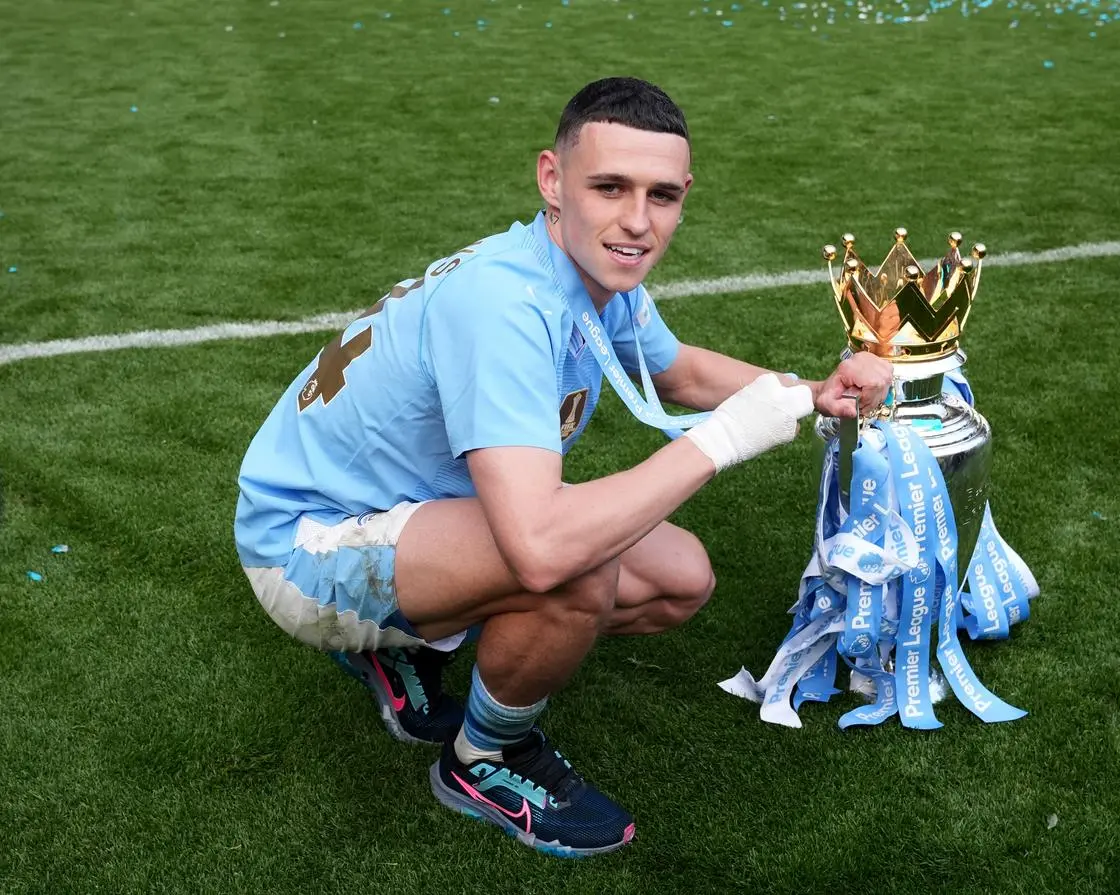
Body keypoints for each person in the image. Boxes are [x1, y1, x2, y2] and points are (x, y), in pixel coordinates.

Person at [234, 76, 892, 857]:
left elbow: (674, 370)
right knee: (572, 567)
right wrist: (721, 441)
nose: (638, 222)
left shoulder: (583, 264)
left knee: (678, 576)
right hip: (306, 545)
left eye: (663, 195)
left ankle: (407, 641)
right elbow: (543, 547)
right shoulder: (505, 304)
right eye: (609, 187)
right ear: (552, 178)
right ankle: (484, 759)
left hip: (410, 510)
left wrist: (815, 393)